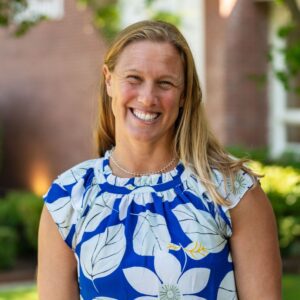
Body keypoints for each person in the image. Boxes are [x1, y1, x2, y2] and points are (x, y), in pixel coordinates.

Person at [37, 20, 282, 299]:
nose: (147, 97)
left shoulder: (231, 191)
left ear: (183, 94)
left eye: (165, 83)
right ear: (109, 80)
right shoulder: (68, 200)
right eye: (134, 79)